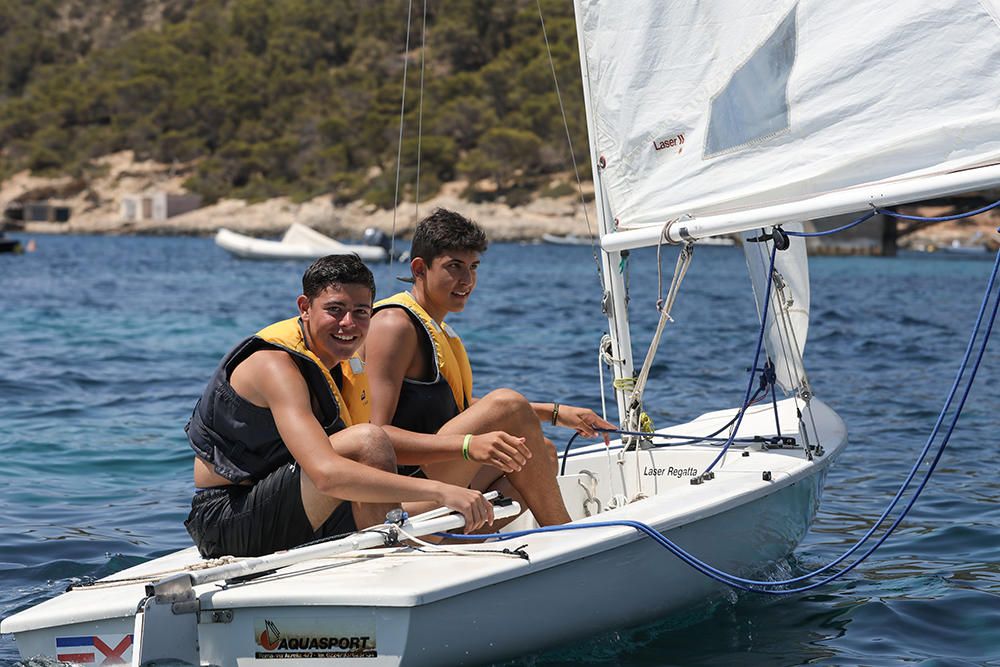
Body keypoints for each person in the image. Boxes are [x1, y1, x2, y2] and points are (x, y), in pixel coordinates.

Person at [184, 254, 494, 558]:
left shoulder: (346, 362)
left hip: (300, 504)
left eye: (361, 312)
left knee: (495, 465)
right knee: (369, 439)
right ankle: (394, 563)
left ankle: (509, 551)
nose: (348, 323)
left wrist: (466, 455)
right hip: (228, 521)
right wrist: (441, 490)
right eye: (335, 310)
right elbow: (327, 474)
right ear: (305, 308)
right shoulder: (275, 366)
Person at [363, 208, 615, 526]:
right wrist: (469, 444)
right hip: (405, 492)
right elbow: (375, 436)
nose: (467, 280)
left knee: (541, 453)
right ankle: (566, 533)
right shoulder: (393, 324)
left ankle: (470, 546)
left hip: (437, 472)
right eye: (454, 267)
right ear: (419, 268)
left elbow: (460, 408)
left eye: (473, 267)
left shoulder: (436, 328)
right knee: (507, 404)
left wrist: (556, 413)